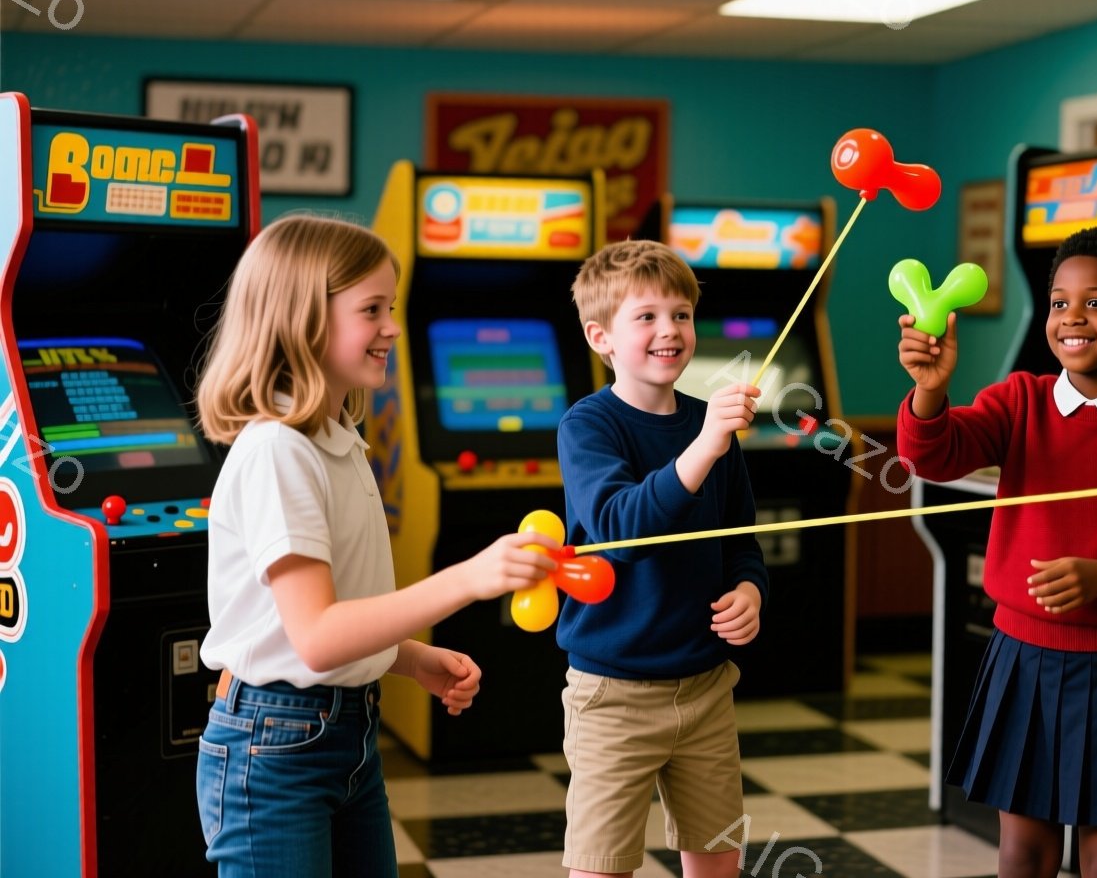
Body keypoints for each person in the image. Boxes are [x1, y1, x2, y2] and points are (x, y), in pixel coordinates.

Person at [193, 216, 560, 877]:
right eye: (371, 310)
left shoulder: (338, 436)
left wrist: (406, 657)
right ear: (304, 320)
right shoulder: (279, 449)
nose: (393, 327)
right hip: (274, 744)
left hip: (344, 730)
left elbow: (332, 616)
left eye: (390, 307)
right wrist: (469, 578)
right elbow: (316, 637)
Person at [897, 227, 1097, 878]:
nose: (1072, 318)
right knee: (1024, 847)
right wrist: (929, 389)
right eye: (1060, 302)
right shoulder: (1019, 400)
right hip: (1023, 657)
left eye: (1096, 303)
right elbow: (931, 453)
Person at [555, 239, 767, 877]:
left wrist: (751, 591)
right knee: (602, 866)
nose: (669, 330)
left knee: (717, 860)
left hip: (706, 687)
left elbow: (741, 541)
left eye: (680, 314)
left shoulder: (711, 428)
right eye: (645, 317)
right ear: (602, 338)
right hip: (611, 694)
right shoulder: (588, 426)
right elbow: (623, 529)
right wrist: (705, 446)